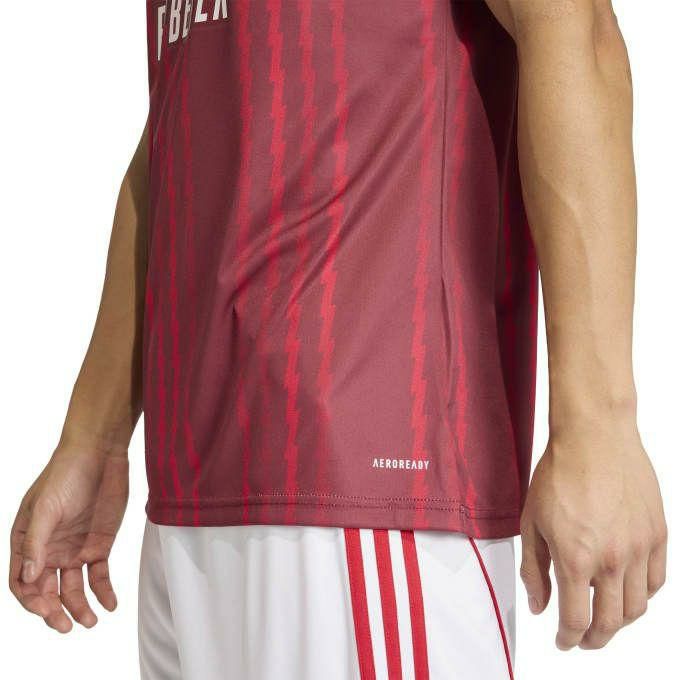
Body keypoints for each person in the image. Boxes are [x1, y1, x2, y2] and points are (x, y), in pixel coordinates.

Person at [9, 1, 667, 678]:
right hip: (192, 499)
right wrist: (93, 438)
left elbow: (572, 24)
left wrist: (598, 425)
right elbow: (181, 123)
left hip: (368, 479)